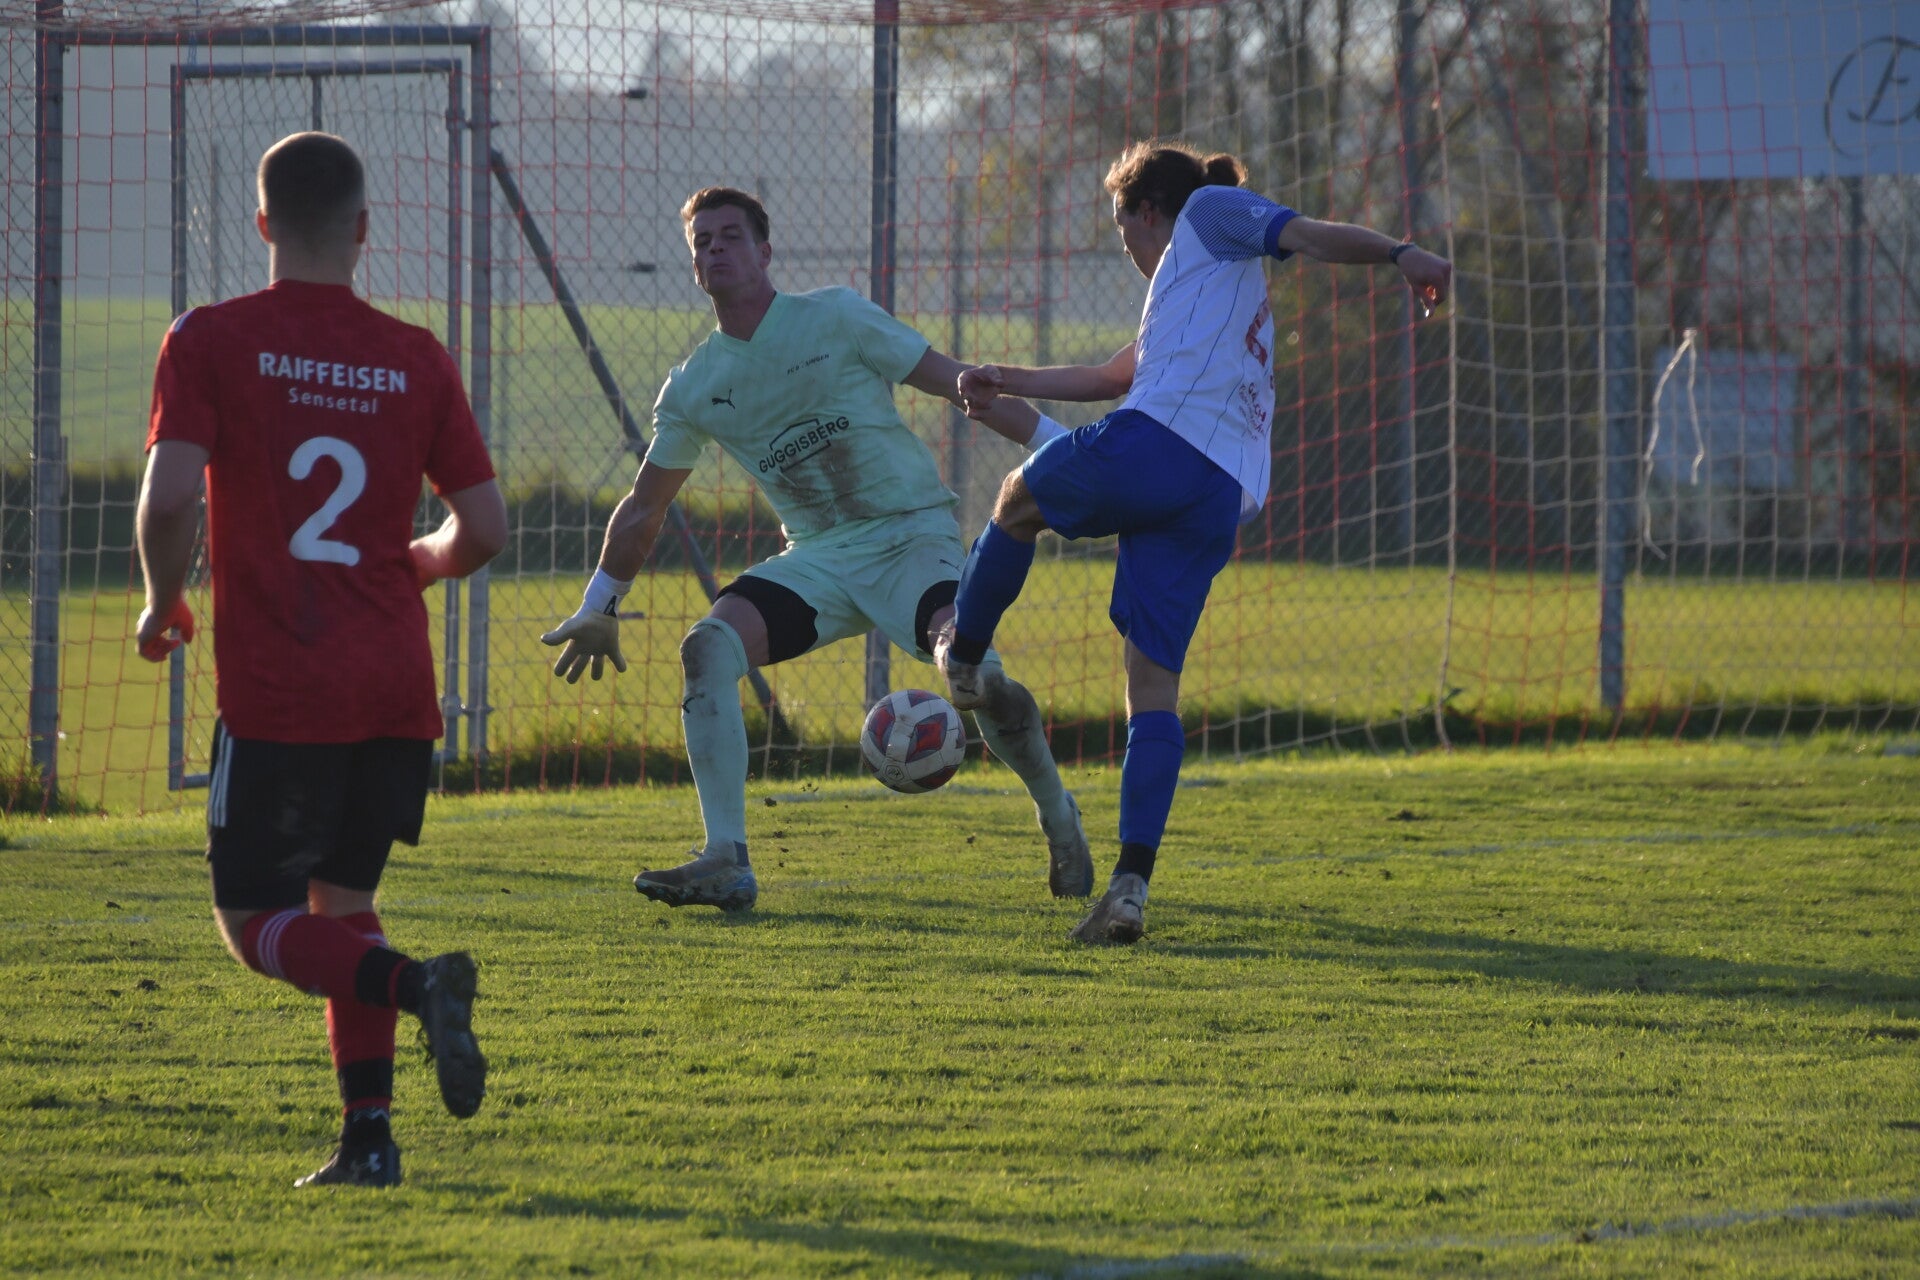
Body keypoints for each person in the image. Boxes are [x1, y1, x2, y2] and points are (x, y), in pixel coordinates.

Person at [941, 139, 1452, 945]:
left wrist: (1400, 253)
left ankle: (965, 661)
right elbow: (1112, 377)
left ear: (1148, 211)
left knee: (1015, 498)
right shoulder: (1198, 291)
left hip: (1167, 443)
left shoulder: (1208, 215)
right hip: (1220, 491)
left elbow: (1307, 234)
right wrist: (1004, 376)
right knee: (1151, 687)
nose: (1127, 250)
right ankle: (1128, 890)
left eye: (1123, 231)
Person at [541, 186, 1091, 912]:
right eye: (701, 241)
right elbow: (646, 505)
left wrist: (1065, 452)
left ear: (765, 251)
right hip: (820, 558)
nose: (714, 248)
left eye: (730, 235)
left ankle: (1058, 816)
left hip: (910, 537)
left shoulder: (836, 316)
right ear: (694, 266)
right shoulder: (694, 386)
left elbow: (964, 387)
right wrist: (600, 604)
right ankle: (726, 860)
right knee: (707, 647)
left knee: (971, 676)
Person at [135, 132, 508, 1188]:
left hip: (285, 689)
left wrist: (163, 598)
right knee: (342, 903)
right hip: (395, 685)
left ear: (262, 222)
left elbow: (169, 496)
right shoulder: (416, 355)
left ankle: (415, 984)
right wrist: (419, 563)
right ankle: (369, 1139)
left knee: (252, 921)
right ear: (362, 229)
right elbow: (484, 528)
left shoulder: (210, 337)